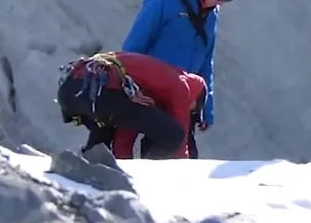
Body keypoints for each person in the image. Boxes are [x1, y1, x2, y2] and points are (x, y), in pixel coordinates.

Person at [121, 0, 246, 156]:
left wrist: (206, 106)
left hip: (180, 98)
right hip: (147, 95)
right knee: (157, 155)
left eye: (226, 0)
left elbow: (206, 61)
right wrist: (130, 89)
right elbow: (131, 50)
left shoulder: (211, 15)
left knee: (183, 159)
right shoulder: (163, 2)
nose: (220, 4)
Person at [56, 50, 206, 160]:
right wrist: (185, 170)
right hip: (100, 90)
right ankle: (152, 178)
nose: (188, 110)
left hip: (72, 89)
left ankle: (87, 171)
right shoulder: (181, 85)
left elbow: (124, 137)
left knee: (105, 130)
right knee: (173, 133)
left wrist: (124, 165)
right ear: (194, 97)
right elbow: (180, 138)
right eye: (192, 108)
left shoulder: (147, 89)